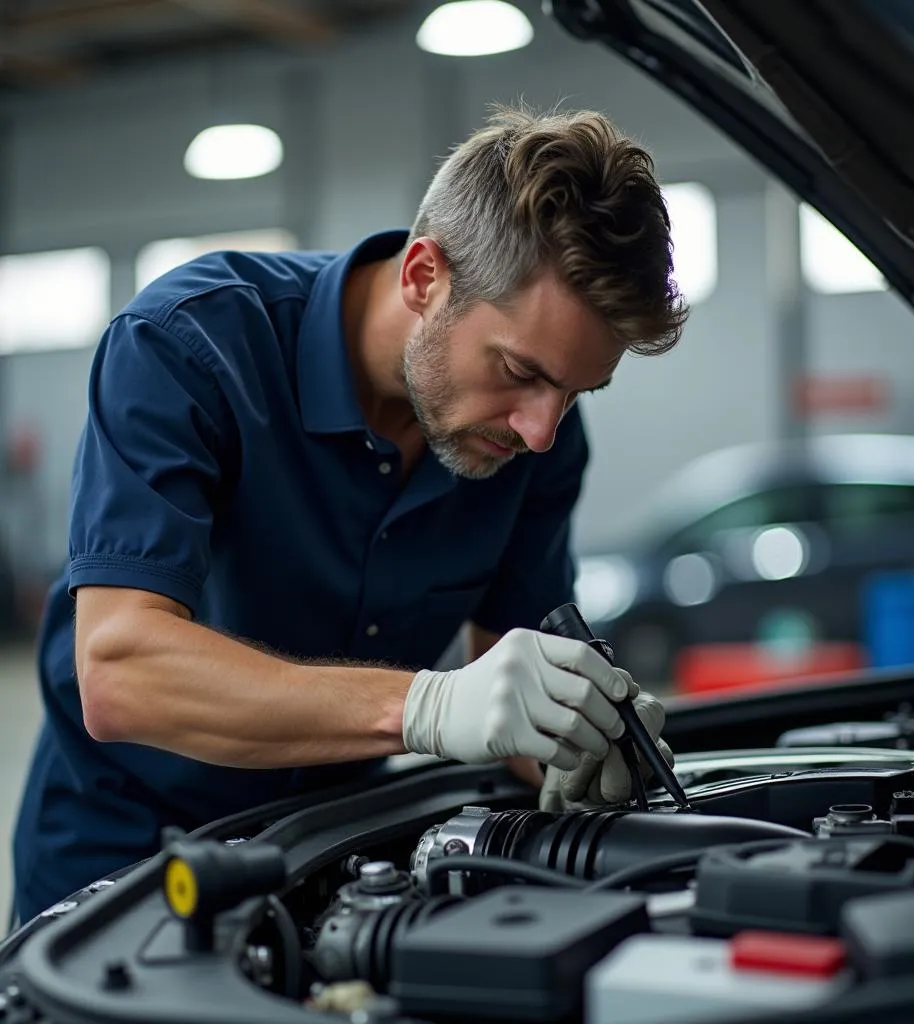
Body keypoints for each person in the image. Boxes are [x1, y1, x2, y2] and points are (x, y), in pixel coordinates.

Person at [11, 104, 688, 924]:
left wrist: (579, 733)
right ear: (423, 277)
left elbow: (513, 699)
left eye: (575, 391)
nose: (541, 430)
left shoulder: (531, 441)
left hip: (339, 853)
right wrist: (429, 707)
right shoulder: (189, 346)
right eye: (518, 369)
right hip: (124, 855)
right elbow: (121, 674)